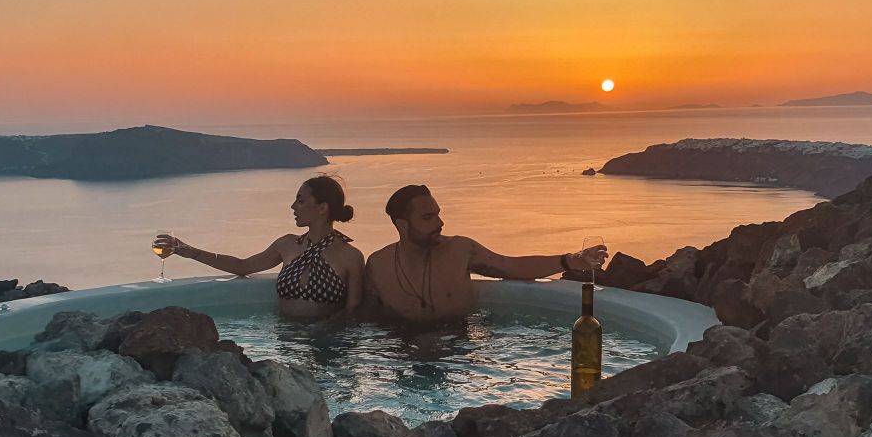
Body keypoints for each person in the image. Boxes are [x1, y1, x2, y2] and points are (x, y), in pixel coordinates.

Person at [365, 184, 607, 322]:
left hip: (457, 355)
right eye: (428, 217)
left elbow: (511, 266)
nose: (440, 223)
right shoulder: (378, 266)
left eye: (438, 213)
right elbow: (364, 319)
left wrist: (573, 260)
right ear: (402, 225)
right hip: (400, 356)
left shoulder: (459, 250)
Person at [155, 175, 364, 319]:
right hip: (286, 339)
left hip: (328, 344)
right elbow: (242, 266)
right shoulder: (287, 244)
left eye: (300, 201)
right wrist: (190, 252)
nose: (293, 206)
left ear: (322, 208)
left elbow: (353, 311)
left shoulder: (350, 256)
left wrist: (323, 332)